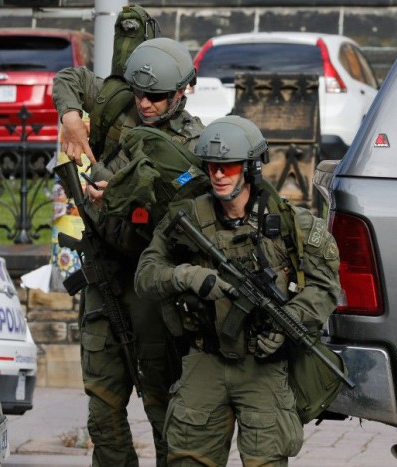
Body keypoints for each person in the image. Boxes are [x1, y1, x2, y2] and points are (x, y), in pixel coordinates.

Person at [134, 115, 342, 466]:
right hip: (205, 359)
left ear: (249, 169)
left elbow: (325, 287)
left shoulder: (292, 224)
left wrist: (287, 322)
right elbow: (146, 276)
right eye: (213, 165)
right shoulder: (186, 219)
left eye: (228, 166)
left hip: (262, 367)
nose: (217, 174)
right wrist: (188, 276)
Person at [52, 37, 206, 467]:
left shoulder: (191, 146)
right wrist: (70, 118)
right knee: (102, 408)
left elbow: (188, 216)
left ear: (181, 92)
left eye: (156, 97)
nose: (145, 104)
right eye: (139, 94)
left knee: (161, 405)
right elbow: (69, 78)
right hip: (103, 274)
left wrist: (125, 198)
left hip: (151, 284)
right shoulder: (121, 106)